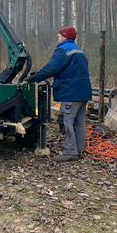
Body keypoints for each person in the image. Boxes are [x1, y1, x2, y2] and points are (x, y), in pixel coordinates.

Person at [26, 26, 92, 162]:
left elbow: (51, 68)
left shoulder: (63, 50)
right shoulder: (79, 51)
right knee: (79, 122)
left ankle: (70, 152)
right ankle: (80, 149)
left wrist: (33, 78)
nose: (57, 37)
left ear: (65, 36)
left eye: (60, 35)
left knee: (67, 121)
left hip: (71, 93)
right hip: (84, 92)